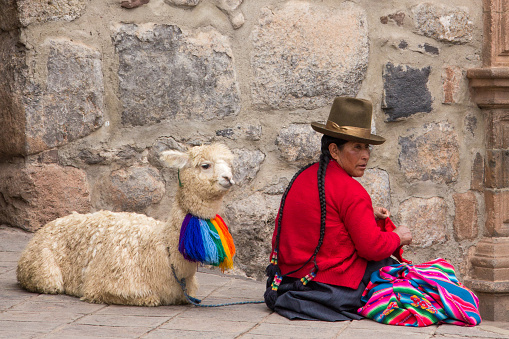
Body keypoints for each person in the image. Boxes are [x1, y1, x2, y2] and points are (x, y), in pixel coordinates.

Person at [264, 96, 413, 321]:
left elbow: (322, 218)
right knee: (399, 276)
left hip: (288, 280)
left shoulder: (302, 177)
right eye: (357, 147)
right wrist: (397, 237)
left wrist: (365, 216)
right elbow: (371, 248)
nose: (365, 156)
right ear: (334, 150)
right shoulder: (351, 191)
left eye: (367, 148)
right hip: (330, 287)